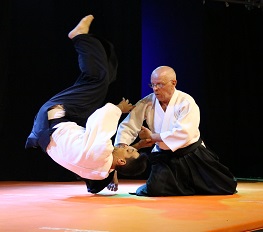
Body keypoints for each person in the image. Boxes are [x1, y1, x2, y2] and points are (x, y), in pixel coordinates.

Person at [25, 15, 147, 194]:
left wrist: (119, 109)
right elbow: (95, 187)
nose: (127, 146)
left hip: (54, 115)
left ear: (121, 162)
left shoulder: (102, 152)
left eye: (129, 151)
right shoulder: (100, 173)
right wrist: (129, 156)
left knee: (97, 81)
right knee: (104, 80)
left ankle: (79, 37)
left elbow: (99, 120)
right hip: (49, 128)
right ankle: (97, 51)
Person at [114, 65, 238, 197]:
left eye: (160, 84)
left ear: (173, 83)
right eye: (153, 84)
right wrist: (121, 147)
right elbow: (128, 125)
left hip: (191, 153)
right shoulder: (147, 102)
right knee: (155, 190)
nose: (155, 89)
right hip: (164, 157)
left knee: (225, 186)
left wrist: (153, 137)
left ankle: (189, 184)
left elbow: (185, 132)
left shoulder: (186, 102)